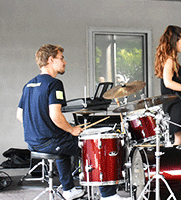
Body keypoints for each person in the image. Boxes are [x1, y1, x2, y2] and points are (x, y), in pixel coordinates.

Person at [16, 44, 128, 200]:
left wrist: (41, 128)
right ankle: (108, 195)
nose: (65, 62)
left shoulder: (28, 85)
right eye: (61, 58)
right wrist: (71, 129)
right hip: (50, 142)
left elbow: (20, 115)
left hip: (32, 142)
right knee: (96, 145)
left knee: (64, 144)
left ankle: (69, 190)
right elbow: (55, 115)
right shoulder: (54, 84)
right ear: (50, 60)